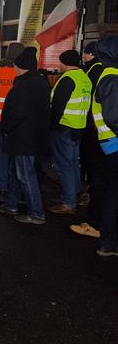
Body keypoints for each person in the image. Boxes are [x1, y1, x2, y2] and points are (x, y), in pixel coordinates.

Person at [0, 47, 50, 225]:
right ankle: (11, 205)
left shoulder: (23, 84)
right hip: (33, 136)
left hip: (23, 137)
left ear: (21, 67)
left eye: (16, 65)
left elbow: (17, 112)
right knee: (18, 173)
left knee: (25, 175)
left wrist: (6, 127)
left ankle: (37, 213)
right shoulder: (40, 81)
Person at [48, 50, 92, 215]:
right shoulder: (84, 78)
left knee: (63, 165)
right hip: (79, 127)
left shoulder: (67, 79)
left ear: (65, 63)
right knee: (73, 163)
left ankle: (68, 202)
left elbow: (58, 107)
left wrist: (52, 126)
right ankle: (75, 194)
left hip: (64, 127)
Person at [72, 42, 106, 238]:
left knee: (98, 175)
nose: (83, 55)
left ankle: (96, 224)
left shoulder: (99, 74)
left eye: (86, 52)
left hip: (97, 133)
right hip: (100, 133)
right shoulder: (100, 72)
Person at [90, 37, 118, 256]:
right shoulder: (111, 77)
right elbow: (113, 116)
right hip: (114, 142)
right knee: (114, 193)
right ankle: (109, 241)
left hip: (110, 142)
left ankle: (108, 241)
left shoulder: (109, 75)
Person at [0, 43, 24, 202]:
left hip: (0, 120)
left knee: (3, 155)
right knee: (17, 156)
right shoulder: (21, 74)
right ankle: (16, 191)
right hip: (16, 122)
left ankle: (2, 188)